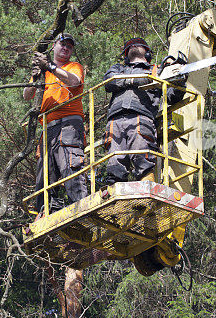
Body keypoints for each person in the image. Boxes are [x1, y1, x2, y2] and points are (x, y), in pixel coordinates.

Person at [102, 37, 186, 185]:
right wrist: (136, 80)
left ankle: (146, 189)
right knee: (114, 162)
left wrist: (180, 80)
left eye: (138, 44)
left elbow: (172, 97)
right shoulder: (118, 69)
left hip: (142, 118)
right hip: (115, 120)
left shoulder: (157, 71)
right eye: (130, 45)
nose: (134, 45)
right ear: (126, 54)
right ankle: (115, 195)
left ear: (147, 53)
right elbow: (109, 82)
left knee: (143, 157)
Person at [23, 33, 87, 216]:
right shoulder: (44, 74)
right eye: (62, 44)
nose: (66, 48)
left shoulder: (73, 67)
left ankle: (81, 206)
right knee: (45, 173)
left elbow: (74, 81)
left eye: (69, 46)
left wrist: (50, 66)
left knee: (70, 165)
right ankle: (46, 211)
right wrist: (36, 77)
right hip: (47, 129)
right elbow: (27, 96)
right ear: (54, 46)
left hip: (68, 125)